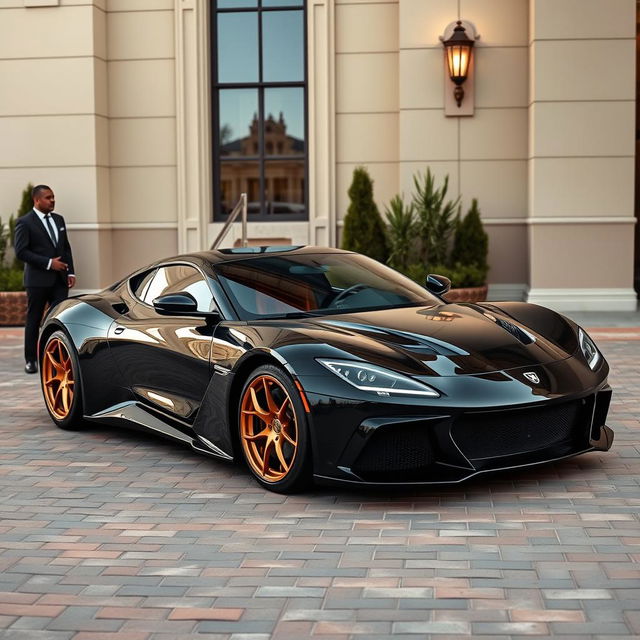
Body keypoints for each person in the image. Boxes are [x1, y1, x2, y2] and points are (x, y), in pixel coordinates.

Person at [14, 185, 75, 374]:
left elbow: (65, 248)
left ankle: (57, 359)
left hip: (59, 280)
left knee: (59, 320)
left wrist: (70, 272)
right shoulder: (25, 222)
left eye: (53, 197)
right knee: (34, 320)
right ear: (37, 200)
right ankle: (31, 360)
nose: (52, 201)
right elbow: (21, 252)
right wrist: (48, 263)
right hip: (37, 281)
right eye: (48, 198)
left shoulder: (59, 219)